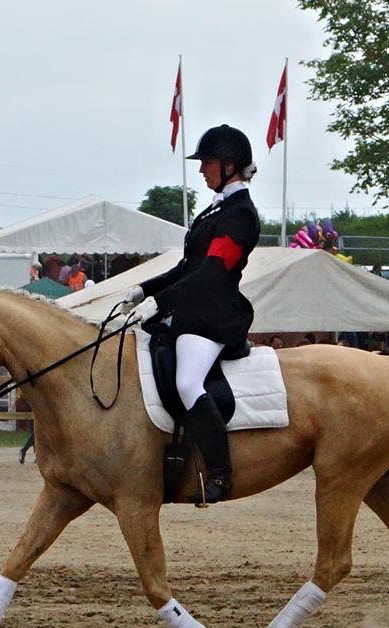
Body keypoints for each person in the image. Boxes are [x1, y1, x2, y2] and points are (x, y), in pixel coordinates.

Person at [119, 124, 260, 504]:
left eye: (208, 163)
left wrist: (162, 302)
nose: (202, 170)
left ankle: (219, 472)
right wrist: (145, 290)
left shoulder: (241, 215)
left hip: (213, 317)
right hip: (188, 312)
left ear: (231, 165)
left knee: (187, 384)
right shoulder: (216, 210)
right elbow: (188, 267)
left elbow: (213, 273)